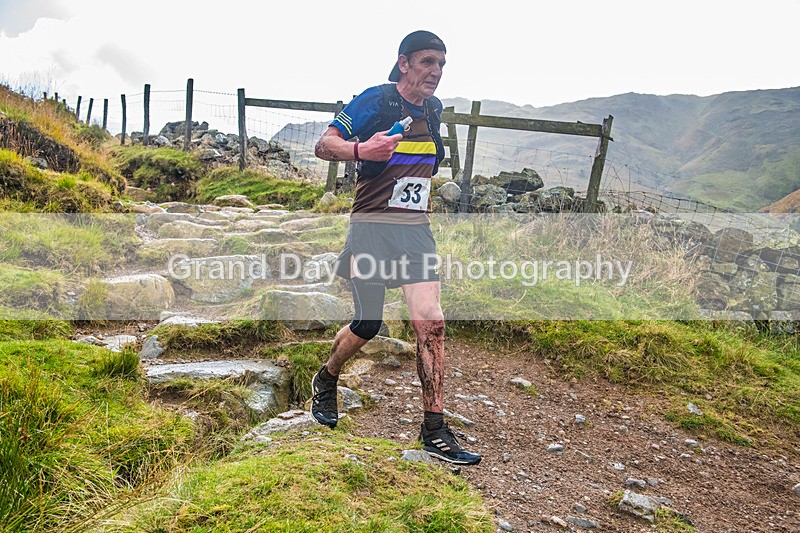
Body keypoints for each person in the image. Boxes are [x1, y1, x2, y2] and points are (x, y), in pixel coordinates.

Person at [311, 30, 481, 465]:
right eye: (427, 62)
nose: (436, 72)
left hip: (414, 230)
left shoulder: (434, 109)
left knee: (431, 323)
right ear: (404, 63)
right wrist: (360, 149)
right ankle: (327, 377)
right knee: (368, 324)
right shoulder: (376, 100)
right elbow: (324, 145)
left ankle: (434, 428)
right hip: (372, 227)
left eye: (441, 64)